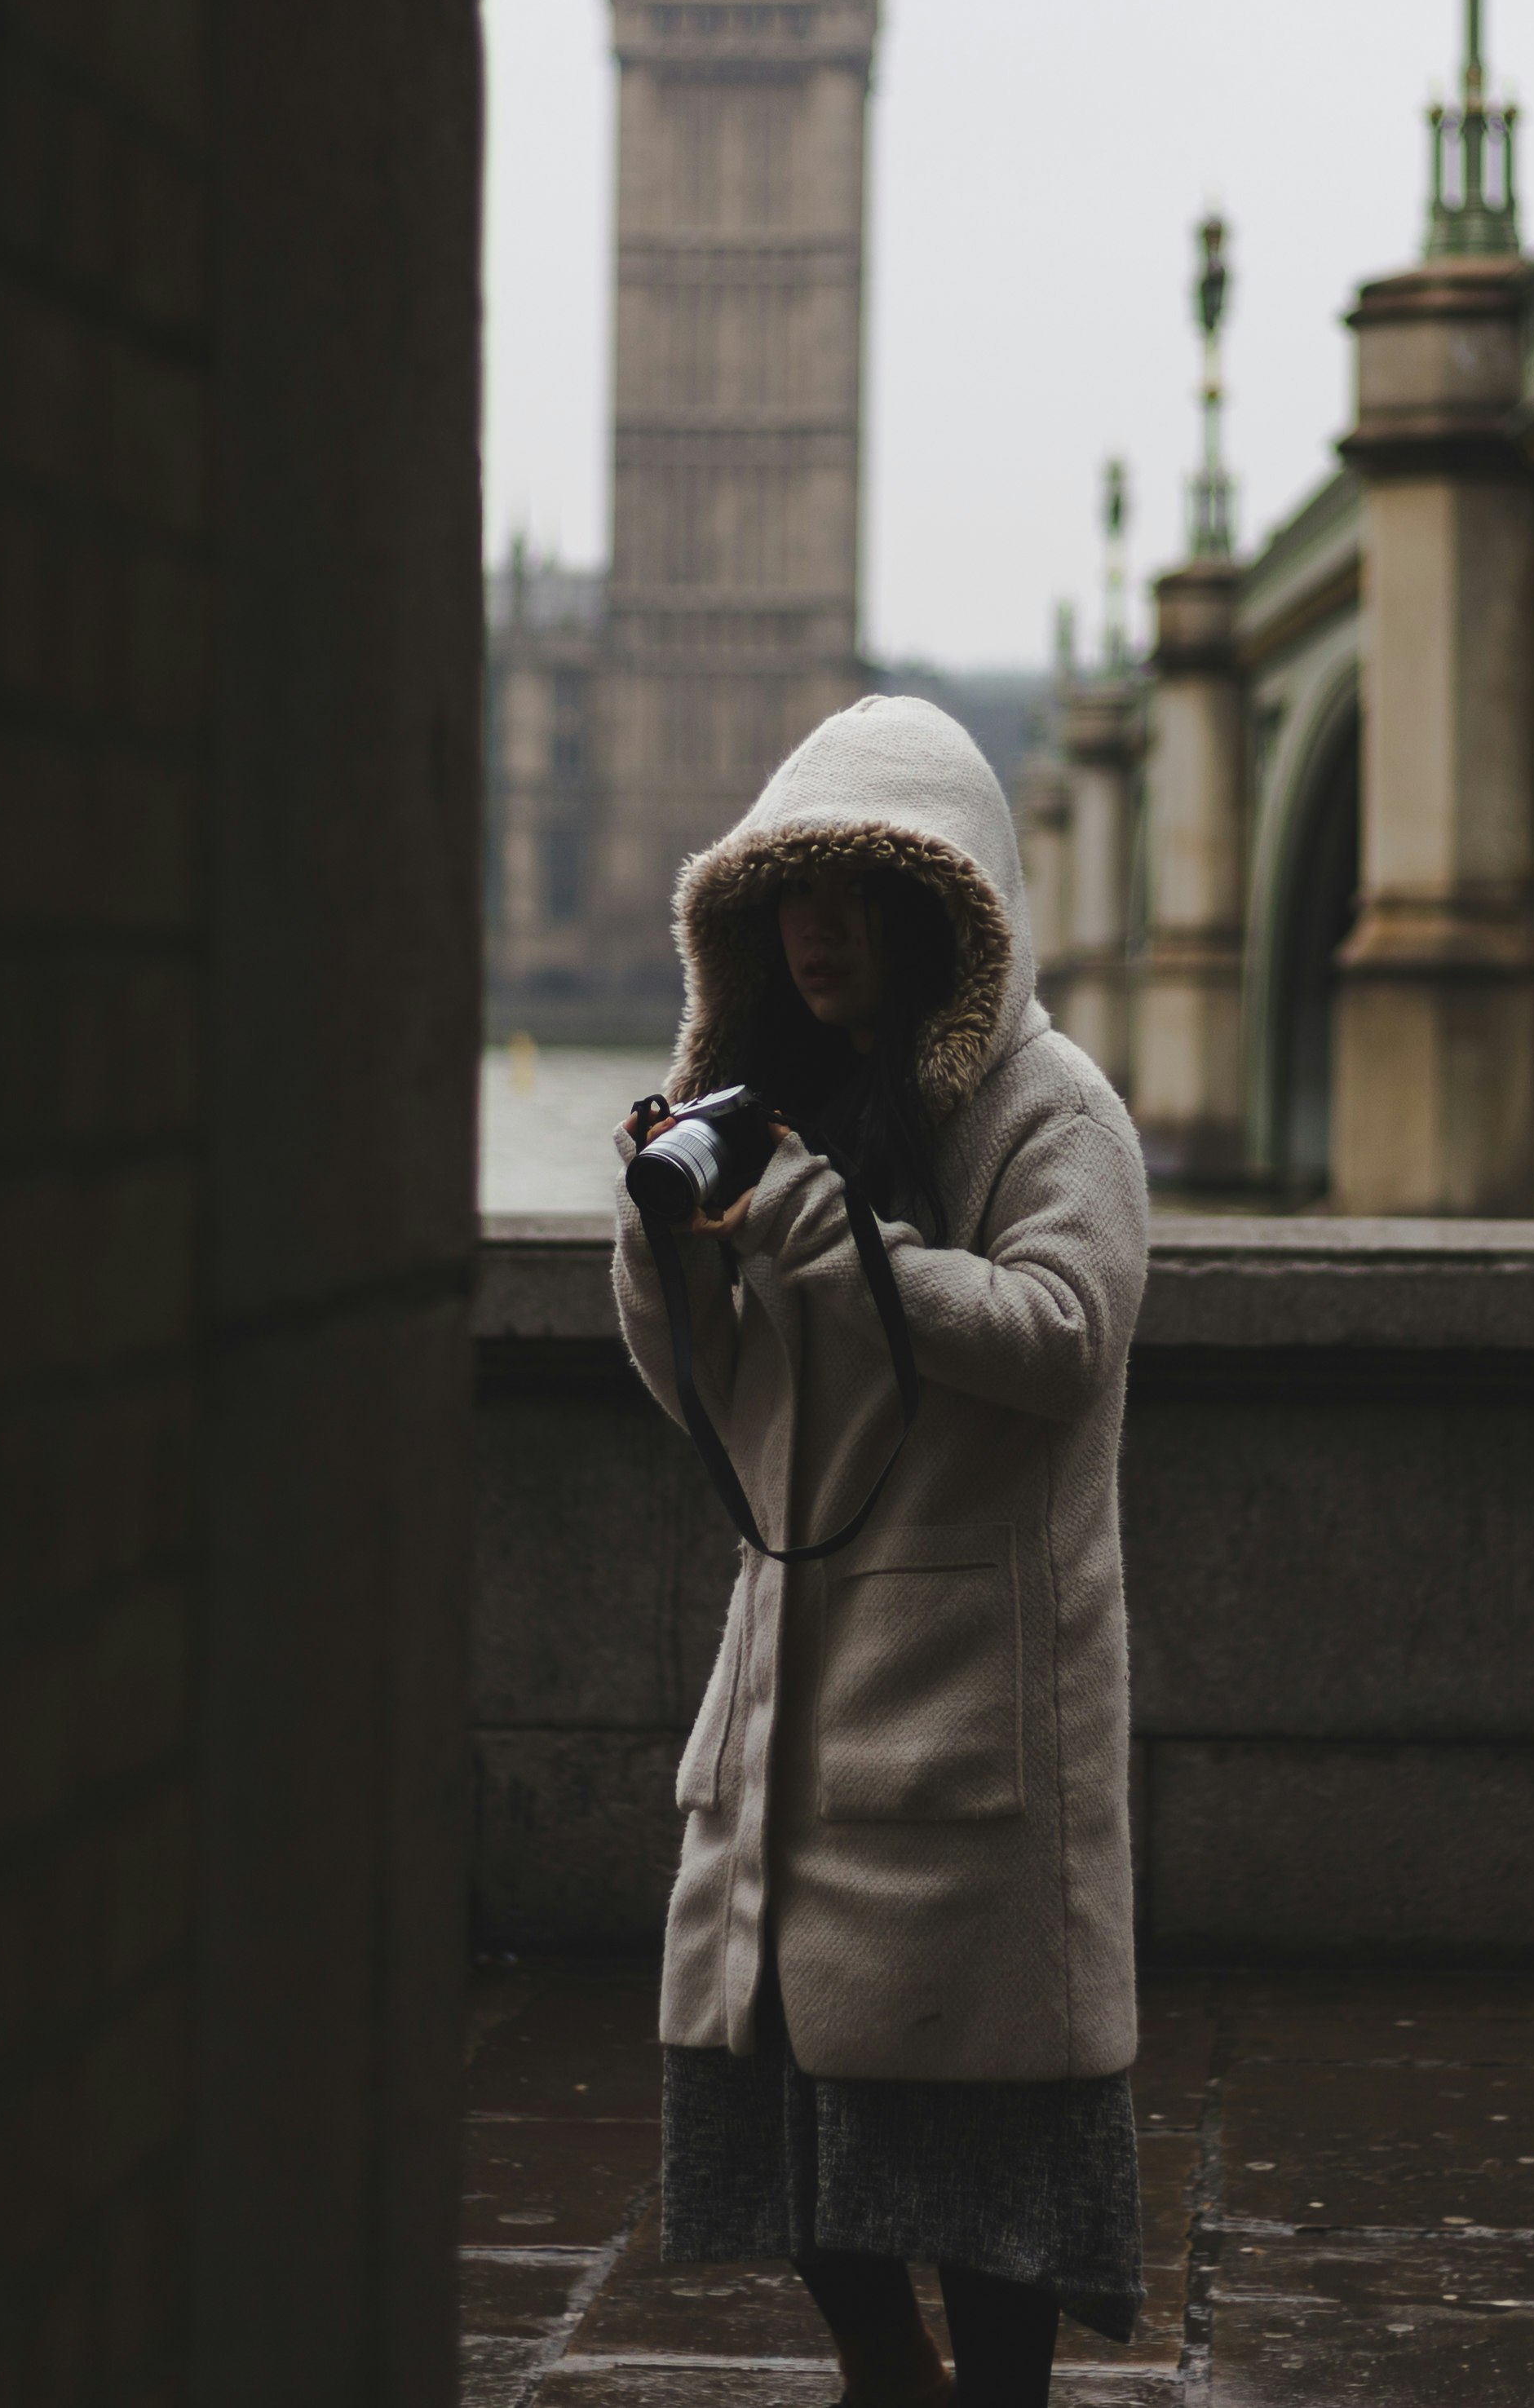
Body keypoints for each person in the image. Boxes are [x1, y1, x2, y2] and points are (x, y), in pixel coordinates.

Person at [608, 696, 1151, 2407]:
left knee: (987, 2183)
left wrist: (842, 1243)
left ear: (945, 910)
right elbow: (709, 1395)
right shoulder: (773, 1103)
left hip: (964, 1710)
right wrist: (670, 1251)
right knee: (793, 2134)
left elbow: (1066, 1330)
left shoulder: (1054, 1112)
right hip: (788, 1695)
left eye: (853, 890)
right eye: (789, 895)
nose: (816, 928)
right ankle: (885, 2380)